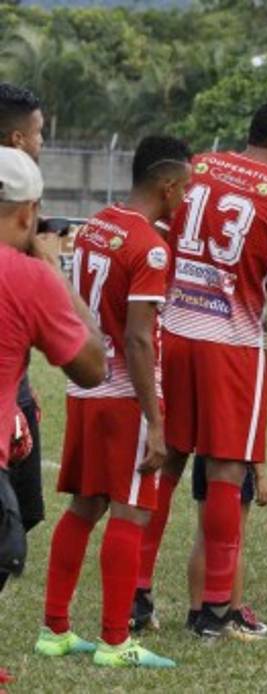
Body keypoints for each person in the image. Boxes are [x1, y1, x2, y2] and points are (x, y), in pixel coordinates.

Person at [140, 103, 267, 640]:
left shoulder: (199, 165)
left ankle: (137, 597)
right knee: (227, 472)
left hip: (175, 329)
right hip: (230, 342)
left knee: (165, 467)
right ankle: (215, 611)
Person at [35, 136, 191, 668]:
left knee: (85, 505)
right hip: (125, 396)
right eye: (186, 187)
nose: (187, 198)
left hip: (85, 389)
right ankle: (114, 641)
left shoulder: (100, 221)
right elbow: (139, 339)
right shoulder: (149, 246)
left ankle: (54, 629)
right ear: (168, 186)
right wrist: (156, 419)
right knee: (131, 512)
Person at [0, 149, 105, 658]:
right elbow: (93, 365)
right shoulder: (28, 278)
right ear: (27, 213)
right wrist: (52, 269)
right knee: (6, 546)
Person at [0, 84, 48, 544]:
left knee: (26, 510)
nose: (40, 143)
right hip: (8, 392)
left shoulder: (24, 193)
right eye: (37, 133)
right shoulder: (14, 205)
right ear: (16, 139)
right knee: (12, 521)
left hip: (17, 382)